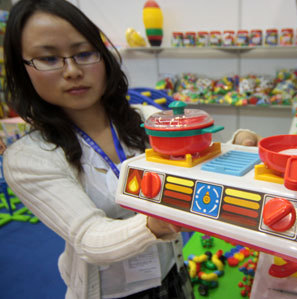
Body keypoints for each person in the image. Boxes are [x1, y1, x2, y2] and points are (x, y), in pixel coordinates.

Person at [3, 0, 191, 298]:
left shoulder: (143, 119)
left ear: (103, 56)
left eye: (84, 53)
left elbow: (196, 151)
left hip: (172, 274)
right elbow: (89, 237)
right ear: (22, 69)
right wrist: (154, 224)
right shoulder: (29, 158)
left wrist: (239, 142)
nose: (73, 71)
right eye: (49, 58)